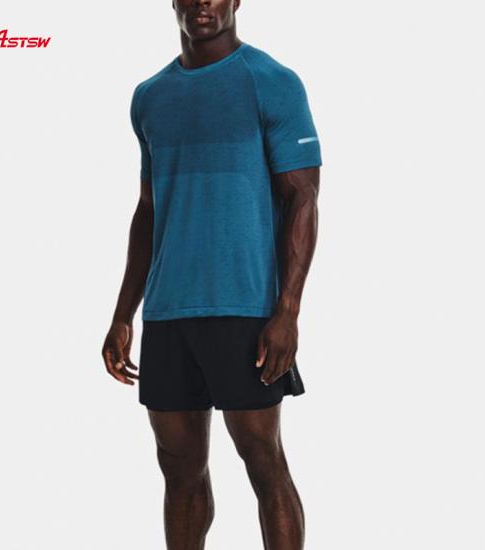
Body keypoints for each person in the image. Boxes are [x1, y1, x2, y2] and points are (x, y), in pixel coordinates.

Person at [102, 1, 322, 548]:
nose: (204, 2)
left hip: (244, 309)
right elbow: (149, 209)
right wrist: (123, 314)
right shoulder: (149, 96)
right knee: (178, 471)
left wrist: (287, 311)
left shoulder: (272, 82)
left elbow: (303, 199)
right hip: (168, 312)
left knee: (263, 462)